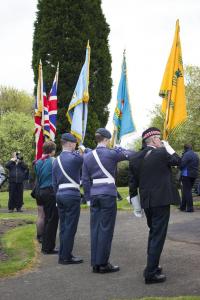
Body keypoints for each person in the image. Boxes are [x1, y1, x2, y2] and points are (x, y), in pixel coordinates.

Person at [129, 127, 181, 284]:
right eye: (159, 138)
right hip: (161, 200)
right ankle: (151, 273)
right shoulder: (161, 152)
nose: (161, 140)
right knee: (158, 235)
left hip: (147, 202)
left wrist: (136, 206)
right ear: (153, 140)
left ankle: (152, 265)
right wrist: (167, 146)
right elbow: (178, 161)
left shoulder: (135, 157)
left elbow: (132, 185)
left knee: (153, 233)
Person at [82, 128, 134, 274]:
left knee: (95, 229)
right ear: (106, 139)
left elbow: (85, 180)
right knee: (106, 229)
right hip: (108, 194)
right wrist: (120, 149)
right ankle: (103, 263)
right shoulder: (112, 153)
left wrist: (87, 198)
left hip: (94, 194)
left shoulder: (87, 156)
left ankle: (95, 263)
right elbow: (132, 155)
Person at [52, 133, 84, 265]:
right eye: (75, 143)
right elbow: (86, 159)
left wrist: (57, 195)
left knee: (64, 226)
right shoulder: (75, 158)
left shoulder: (56, 160)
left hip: (59, 194)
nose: (75, 145)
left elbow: (54, 183)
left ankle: (62, 254)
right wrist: (83, 149)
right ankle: (66, 257)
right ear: (70, 144)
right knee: (70, 227)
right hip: (72, 194)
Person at [35, 141, 58, 254]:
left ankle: (43, 240)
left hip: (40, 191)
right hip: (49, 191)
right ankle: (48, 247)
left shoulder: (38, 162)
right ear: (53, 150)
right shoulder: (53, 160)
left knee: (42, 216)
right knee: (51, 219)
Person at [180, 144, 199, 212]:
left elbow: (182, 164)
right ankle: (182, 206)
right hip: (194, 175)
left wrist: (179, 167)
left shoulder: (186, 154)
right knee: (186, 190)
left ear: (185, 148)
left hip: (186, 174)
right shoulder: (195, 155)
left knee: (187, 191)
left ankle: (190, 208)